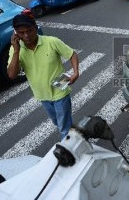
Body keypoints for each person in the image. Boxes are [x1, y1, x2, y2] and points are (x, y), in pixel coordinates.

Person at [7, 12, 79, 140]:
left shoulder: (51, 41)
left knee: (63, 129)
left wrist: (76, 72)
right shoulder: (16, 50)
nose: (26, 35)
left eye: (29, 31)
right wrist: (17, 50)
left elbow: (72, 54)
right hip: (42, 95)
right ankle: (72, 133)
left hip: (60, 89)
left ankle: (69, 153)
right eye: (21, 33)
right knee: (58, 122)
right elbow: (12, 74)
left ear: (36, 27)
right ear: (15, 34)